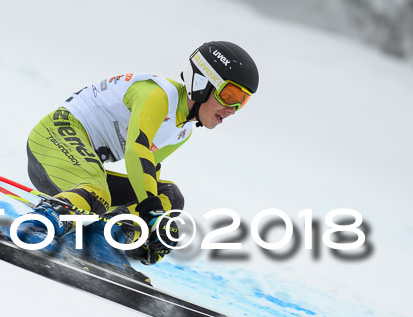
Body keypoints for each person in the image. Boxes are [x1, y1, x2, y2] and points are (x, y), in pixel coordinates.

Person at [25, 41, 259, 264]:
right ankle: (39, 224)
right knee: (101, 193)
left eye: (243, 101)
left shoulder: (183, 131)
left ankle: (106, 239)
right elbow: (136, 151)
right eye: (230, 96)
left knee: (170, 196)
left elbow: (145, 175)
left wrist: (153, 230)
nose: (233, 109)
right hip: (53, 137)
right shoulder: (158, 95)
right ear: (202, 83)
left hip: (79, 166)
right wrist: (152, 211)